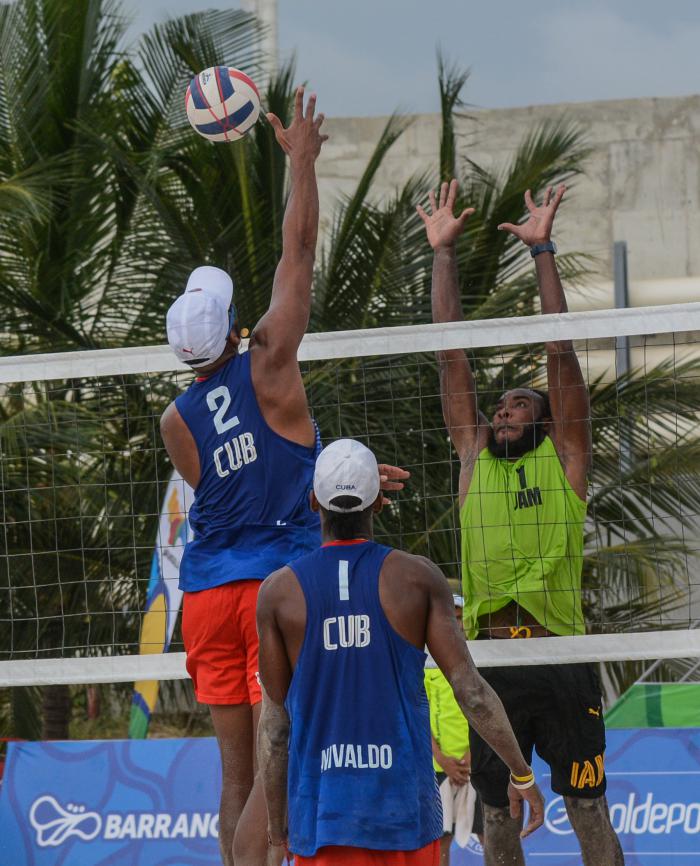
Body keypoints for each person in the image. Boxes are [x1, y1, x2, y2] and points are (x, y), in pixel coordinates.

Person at [418, 179, 624, 866]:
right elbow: (452, 354)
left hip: (560, 655)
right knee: (495, 821)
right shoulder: (475, 456)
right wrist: (442, 256)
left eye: (517, 404)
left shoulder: (566, 460)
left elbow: (560, 354)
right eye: (499, 404)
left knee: (588, 809)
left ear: (544, 420)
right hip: (492, 664)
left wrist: (543, 253)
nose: (503, 410)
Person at [159, 87, 328, 866]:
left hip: (204, 598)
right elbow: (298, 256)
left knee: (234, 774)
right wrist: (301, 163)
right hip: (271, 588)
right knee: (279, 762)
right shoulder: (268, 364)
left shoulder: (174, 421)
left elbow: (225, 486)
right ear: (234, 328)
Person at [256, 438, 544, 866]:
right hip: (404, 812)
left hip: (322, 815)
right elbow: (472, 692)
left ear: (314, 501)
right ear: (378, 503)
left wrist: (278, 825)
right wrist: (522, 773)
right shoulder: (416, 578)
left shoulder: (278, 593)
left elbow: (276, 728)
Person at [424, 593, 483, 864]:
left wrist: (475, 752)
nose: (457, 624)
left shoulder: (485, 656)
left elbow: (489, 710)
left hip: (478, 760)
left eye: (460, 618)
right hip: (440, 766)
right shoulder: (426, 661)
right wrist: (441, 758)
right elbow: (419, 714)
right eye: (452, 618)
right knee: (440, 840)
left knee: (491, 833)